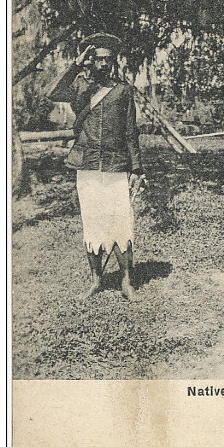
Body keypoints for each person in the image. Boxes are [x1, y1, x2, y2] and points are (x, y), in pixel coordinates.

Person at [47, 33, 144, 301]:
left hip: (115, 166)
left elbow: (130, 132)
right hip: (87, 166)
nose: (103, 64)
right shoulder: (80, 86)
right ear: (90, 61)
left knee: (121, 224)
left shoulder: (123, 91)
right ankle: (96, 280)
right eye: (98, 59)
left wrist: (136, 168)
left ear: (114, 62)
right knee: (93, 224)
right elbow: (52, 92)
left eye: (108, 60)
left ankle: (126, 282)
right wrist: (75, 66)